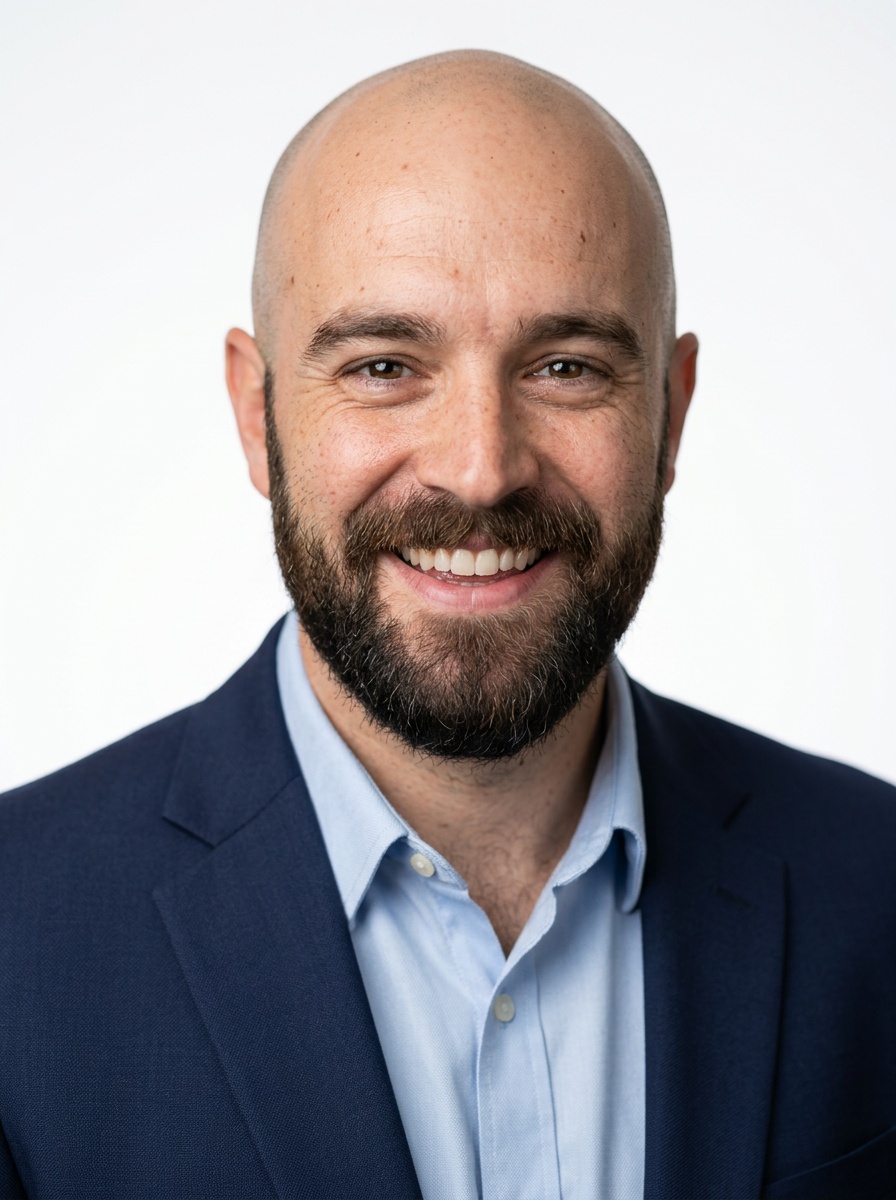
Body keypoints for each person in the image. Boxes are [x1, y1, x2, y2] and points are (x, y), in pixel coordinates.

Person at [0, 48, 892, 1200]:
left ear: (669, 413)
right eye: (383, 366)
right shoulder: (17, 941)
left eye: (565, 367)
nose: (479, 470)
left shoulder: (873, 889)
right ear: (256, 413)